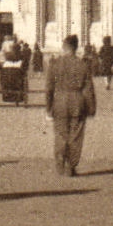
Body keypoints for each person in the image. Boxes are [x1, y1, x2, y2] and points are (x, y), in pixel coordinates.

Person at [44, 35, 97, 176]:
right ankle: (71, 166)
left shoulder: (55, 64)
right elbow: (88, 89)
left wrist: (48, 107)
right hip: (77, 101)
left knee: (61, 134)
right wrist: (91, 107)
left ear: (63, 47)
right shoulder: (83, 65)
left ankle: (60, 165)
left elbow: (49, 88)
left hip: (60, 101)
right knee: (76, 135)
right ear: (76, 47)